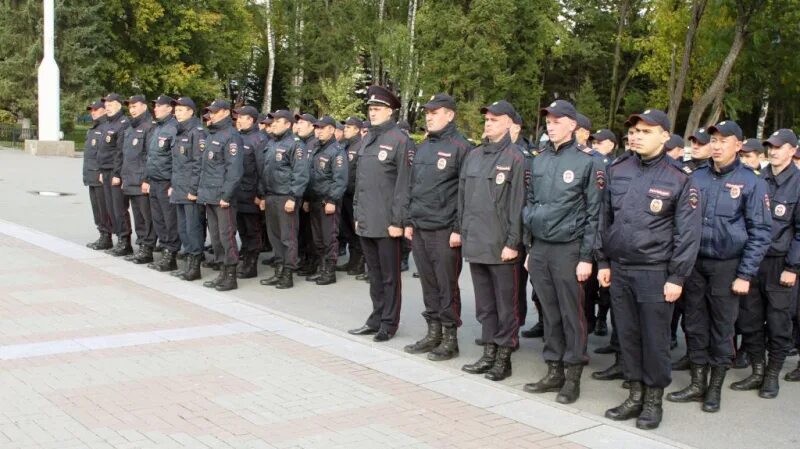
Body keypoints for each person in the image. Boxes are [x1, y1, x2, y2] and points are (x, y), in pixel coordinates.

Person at [596, 109, 701, 430]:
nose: (636, 135)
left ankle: (653, 401)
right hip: (620, 269)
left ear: (664, 136)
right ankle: (635, 393)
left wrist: (677, 276)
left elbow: (688, 234)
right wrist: (603, 260)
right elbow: (604, 219)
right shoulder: (618, 168)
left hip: (655, 273)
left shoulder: (680, 177)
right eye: (634, 130)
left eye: (645, 131)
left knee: (654, 340)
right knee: (626, 335)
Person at [666, 120, 772, 413]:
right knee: (694, 323)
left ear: (739, 145)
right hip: (695, 264)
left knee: (722, 328)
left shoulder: (752, 182)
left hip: (728, 266)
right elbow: (681, 224)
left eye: (723, 140)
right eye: (713, 139)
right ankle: (697, 382)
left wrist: (745, 273)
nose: (716, 144)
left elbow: (761, 232)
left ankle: (714, 388)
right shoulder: (696, 178)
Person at [521, 99, 604, 404]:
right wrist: (530, 246)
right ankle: (553, 368)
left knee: (572, 314)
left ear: (572, 125)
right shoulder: (538, 159)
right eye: (548, 121)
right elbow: (529, 203)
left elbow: (595, 214)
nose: (550, 125)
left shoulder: (588, 161)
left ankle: (572, 374)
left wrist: (586, 257)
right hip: (542, 247)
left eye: (557, 121)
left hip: (569, 249)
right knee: (549, 311)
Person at [730, 129, 800, 398]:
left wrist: (792, 268)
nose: (773, 151)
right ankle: (757, 370)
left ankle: (772, 375)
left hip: (779, 262)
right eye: (771, 146)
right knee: (749, 319)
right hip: (752, 261)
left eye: (780, 147)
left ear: (792, 150)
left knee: (778, 322)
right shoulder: (757, 179)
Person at [458, 100, 525, 380]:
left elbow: (518, 205)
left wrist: (513, 242)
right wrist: (461, 232)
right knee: (485, 304)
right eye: (486, 119)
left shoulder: (516, 158)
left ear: (509, 123)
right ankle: (488, 351)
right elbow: (463, 198)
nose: (488, 123)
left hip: (501, 245)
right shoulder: (473, 155)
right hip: (477, 242)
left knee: (505, 305)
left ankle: (503, 356)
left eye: (495, 119)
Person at [403, 94, 471, 361]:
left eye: (435, 112)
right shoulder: (423, 146)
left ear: (450, 115)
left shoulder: (461, 146)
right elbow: (413, 186)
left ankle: (450, 337)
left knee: (446, 285)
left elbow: (465, 194)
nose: (429, 116)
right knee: (429, 283)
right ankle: (433, 332)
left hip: (445, 229)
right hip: (421, 226)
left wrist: (458, 228)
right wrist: (409, 220)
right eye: (427, 112)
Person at [347, 86, 415, 342]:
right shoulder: (368, 139)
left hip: (388, 223)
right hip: (367, 219)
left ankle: (389, 322)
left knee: (389, 276)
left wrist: (399, 221)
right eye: (370, 109)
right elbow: (361, 182)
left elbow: (404, 185)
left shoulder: (400, 140)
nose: (372, 113)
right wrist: (357, 213)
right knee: (374, 275)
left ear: (390, 111)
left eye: (377, 109)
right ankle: (375, 317)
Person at [256, 110, 310, 289]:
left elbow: (300, 173)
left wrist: (294, 197)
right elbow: (265, 171)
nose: (274, 124)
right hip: (271, 196)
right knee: (275, 236)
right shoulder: (271, 143)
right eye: (273, 122)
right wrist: (262, 195)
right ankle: (279, 269)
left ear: (288, 124)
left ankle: (288, 273)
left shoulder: (296, 145)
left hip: (286, 196)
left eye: (278, 121)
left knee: (288, 237)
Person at [197, 100, 244, 291]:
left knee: (227, 236)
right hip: (210, 194)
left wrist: (227, 195)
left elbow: (234, 170)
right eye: (210, 112)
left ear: (225, 112)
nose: (212, 115)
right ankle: (222, 271)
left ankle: (231, 276)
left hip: (223, 197)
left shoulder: (231, 136)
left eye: (215, 112)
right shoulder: (212, 134)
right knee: (216, 237)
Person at [304, 116, 348, 285]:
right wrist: (307, 198)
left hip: (327, 201)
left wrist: (332, 200)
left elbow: (340, 179)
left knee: (329, 237)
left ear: (331, 130)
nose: (319, 131)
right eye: (317, 128)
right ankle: (321, 268)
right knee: (318, 239)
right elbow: (311, 175)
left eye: (322, 128)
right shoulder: (316, 148)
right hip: (315, 199)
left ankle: (329, 271)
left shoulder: (337, 151)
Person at [169, 96, 207, 281]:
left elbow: (198, 163)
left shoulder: (197, 132)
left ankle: (195, 266)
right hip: (179, 188)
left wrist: (193, 189)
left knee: (193, 228)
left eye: (182, 110)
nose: (178, 113)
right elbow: (176, 163)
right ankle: (188, 263)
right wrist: (173, 185)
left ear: (191, 112)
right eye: (176, 110)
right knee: (183, 228)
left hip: (190, 191)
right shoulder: (179, 131)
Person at [144, 95, 180, 272]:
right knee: (158, 219)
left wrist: (173, 183)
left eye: (159, 106)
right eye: (155, 105)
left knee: (169, 220)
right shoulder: (157, 128)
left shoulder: (173, 128)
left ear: (169, 108)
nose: (155, 108)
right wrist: (148, 178)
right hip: (155, 180)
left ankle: (171, 255)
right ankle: (165, 250)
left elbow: (175, 159)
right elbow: (151, 157)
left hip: (166, 181)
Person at [119, 95, 156, 263]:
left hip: (141, 181)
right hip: (130, 179)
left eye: (135, 106)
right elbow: (126, 155)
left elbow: (150, 156)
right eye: (130, 107)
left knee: (146, 216)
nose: (132, 109)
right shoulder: (130, 128)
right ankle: (141, 244)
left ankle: (147, 248)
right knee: (138, 216)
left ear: (144, 106)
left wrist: (147, 179)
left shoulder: (149, 127)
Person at [233, 105, 268, 279]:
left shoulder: (259, 139)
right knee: (242, 229)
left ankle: (251, 263)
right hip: (237, 192)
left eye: (243, 117)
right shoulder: (238, 137)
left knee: (252, 229)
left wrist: (260, 194)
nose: (239, 119)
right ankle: (244, 257)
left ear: (252, 120)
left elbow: (262, 170)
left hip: (251, 193)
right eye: (238, 117)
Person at [97, 93, 132, 256]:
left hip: (115, 171)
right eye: (106, 104)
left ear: (119, 105)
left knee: (119, 208)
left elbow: (120, 152)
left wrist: (117, 173)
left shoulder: (123, 123)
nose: (107, 106)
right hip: (106, 170)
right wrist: (100, 170)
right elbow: (102, 150)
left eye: (111, 103)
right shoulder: (107, 123)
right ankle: (117, 238)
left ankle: (125, 241)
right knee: (110, 208)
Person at [336, 116, 365, 276]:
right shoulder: (345, 145)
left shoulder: (361, 146)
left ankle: (359, 263)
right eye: (345, 127)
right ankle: (352, 261)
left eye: (348, 127)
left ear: (356, 129)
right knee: (347, 230)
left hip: (355, 196)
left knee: (356, 230)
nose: (345, 130)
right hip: (345, 195)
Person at [83, 100, 113, 250]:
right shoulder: (93, 128)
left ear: (104, 110)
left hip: (100, 175)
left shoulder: (106, 128)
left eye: (96, 109)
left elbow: (106, 153)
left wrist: (102, 172)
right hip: (91, 175)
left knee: (104, 207)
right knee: (97, 208)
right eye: (91, 110)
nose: (93, 112)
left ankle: (106, 236)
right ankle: (102, 233)